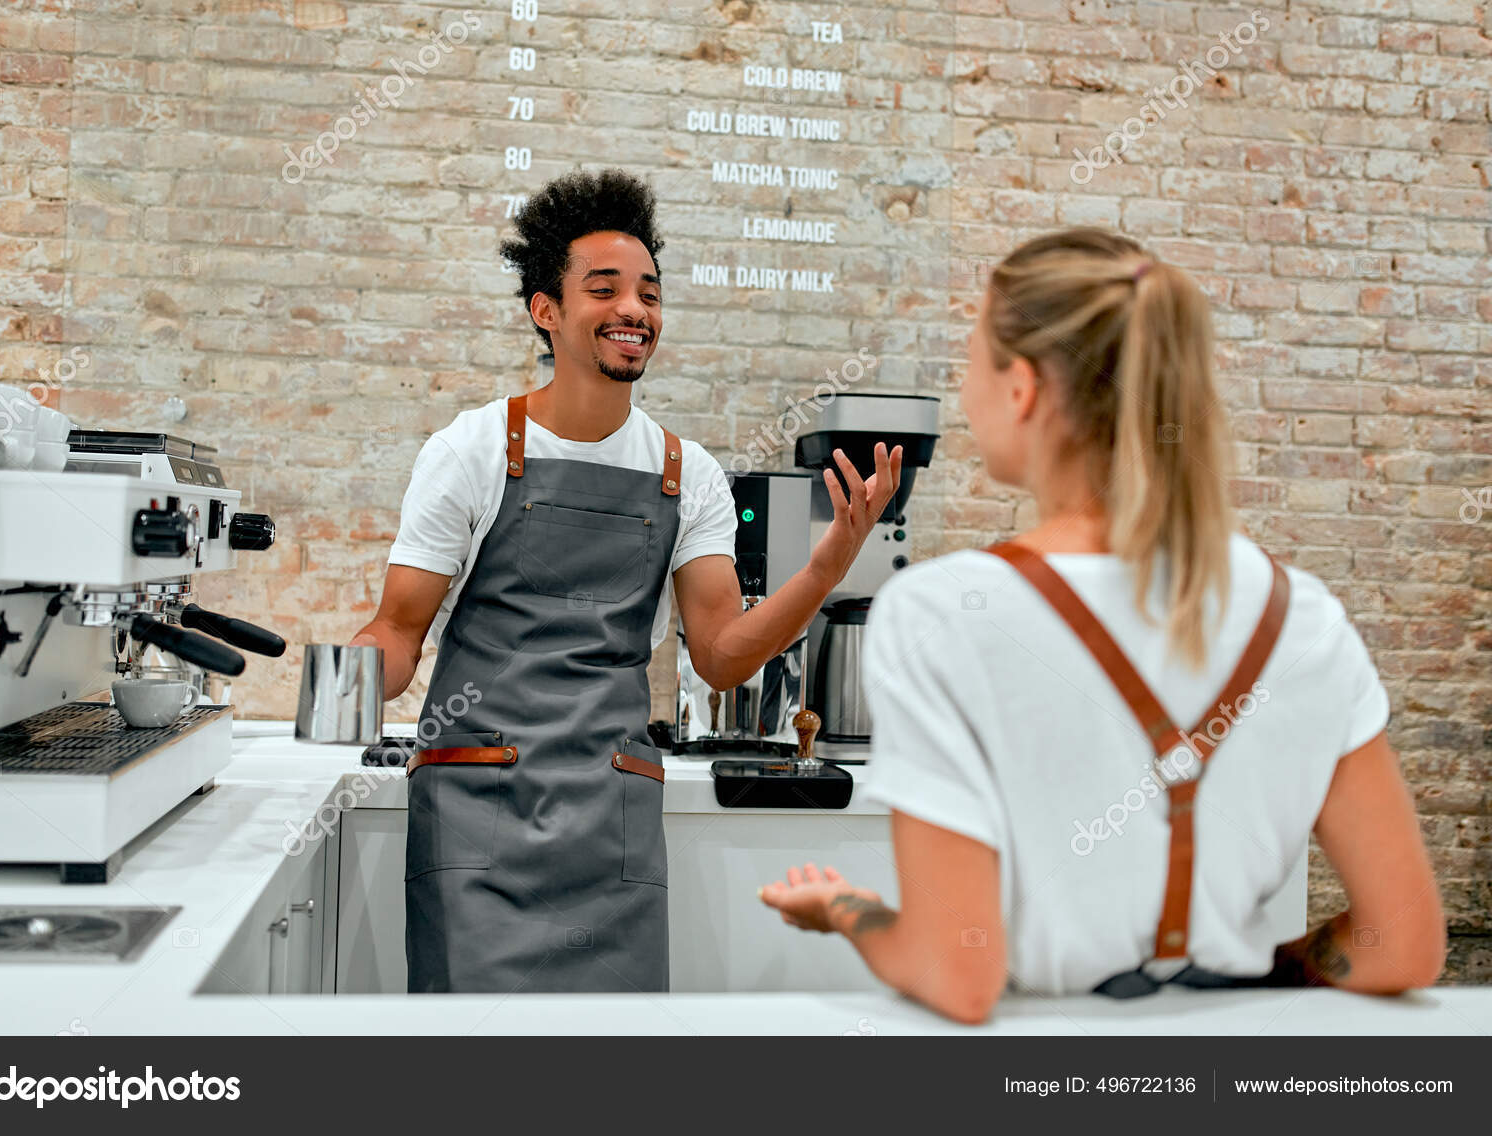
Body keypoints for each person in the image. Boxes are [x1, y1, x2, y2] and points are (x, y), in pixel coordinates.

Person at [760, 228, 1445, 1023]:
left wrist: (845, 910)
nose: (965, 386)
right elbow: (1403, 943)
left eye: (972, 358)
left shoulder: (940, 613)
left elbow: (957, 976)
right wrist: (1254, 973)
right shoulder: (1305, 618)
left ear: (1019, 388)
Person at [351, 168, 902, 994]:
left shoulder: (688, 473)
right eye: (604, 289)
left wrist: (826, 569)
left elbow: (720, 655)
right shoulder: (468, 450)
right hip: (476, 810)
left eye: (649, 291)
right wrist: (346, 681)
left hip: (610, 819)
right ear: (546, 310)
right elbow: (398, 629)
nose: (633, 310)